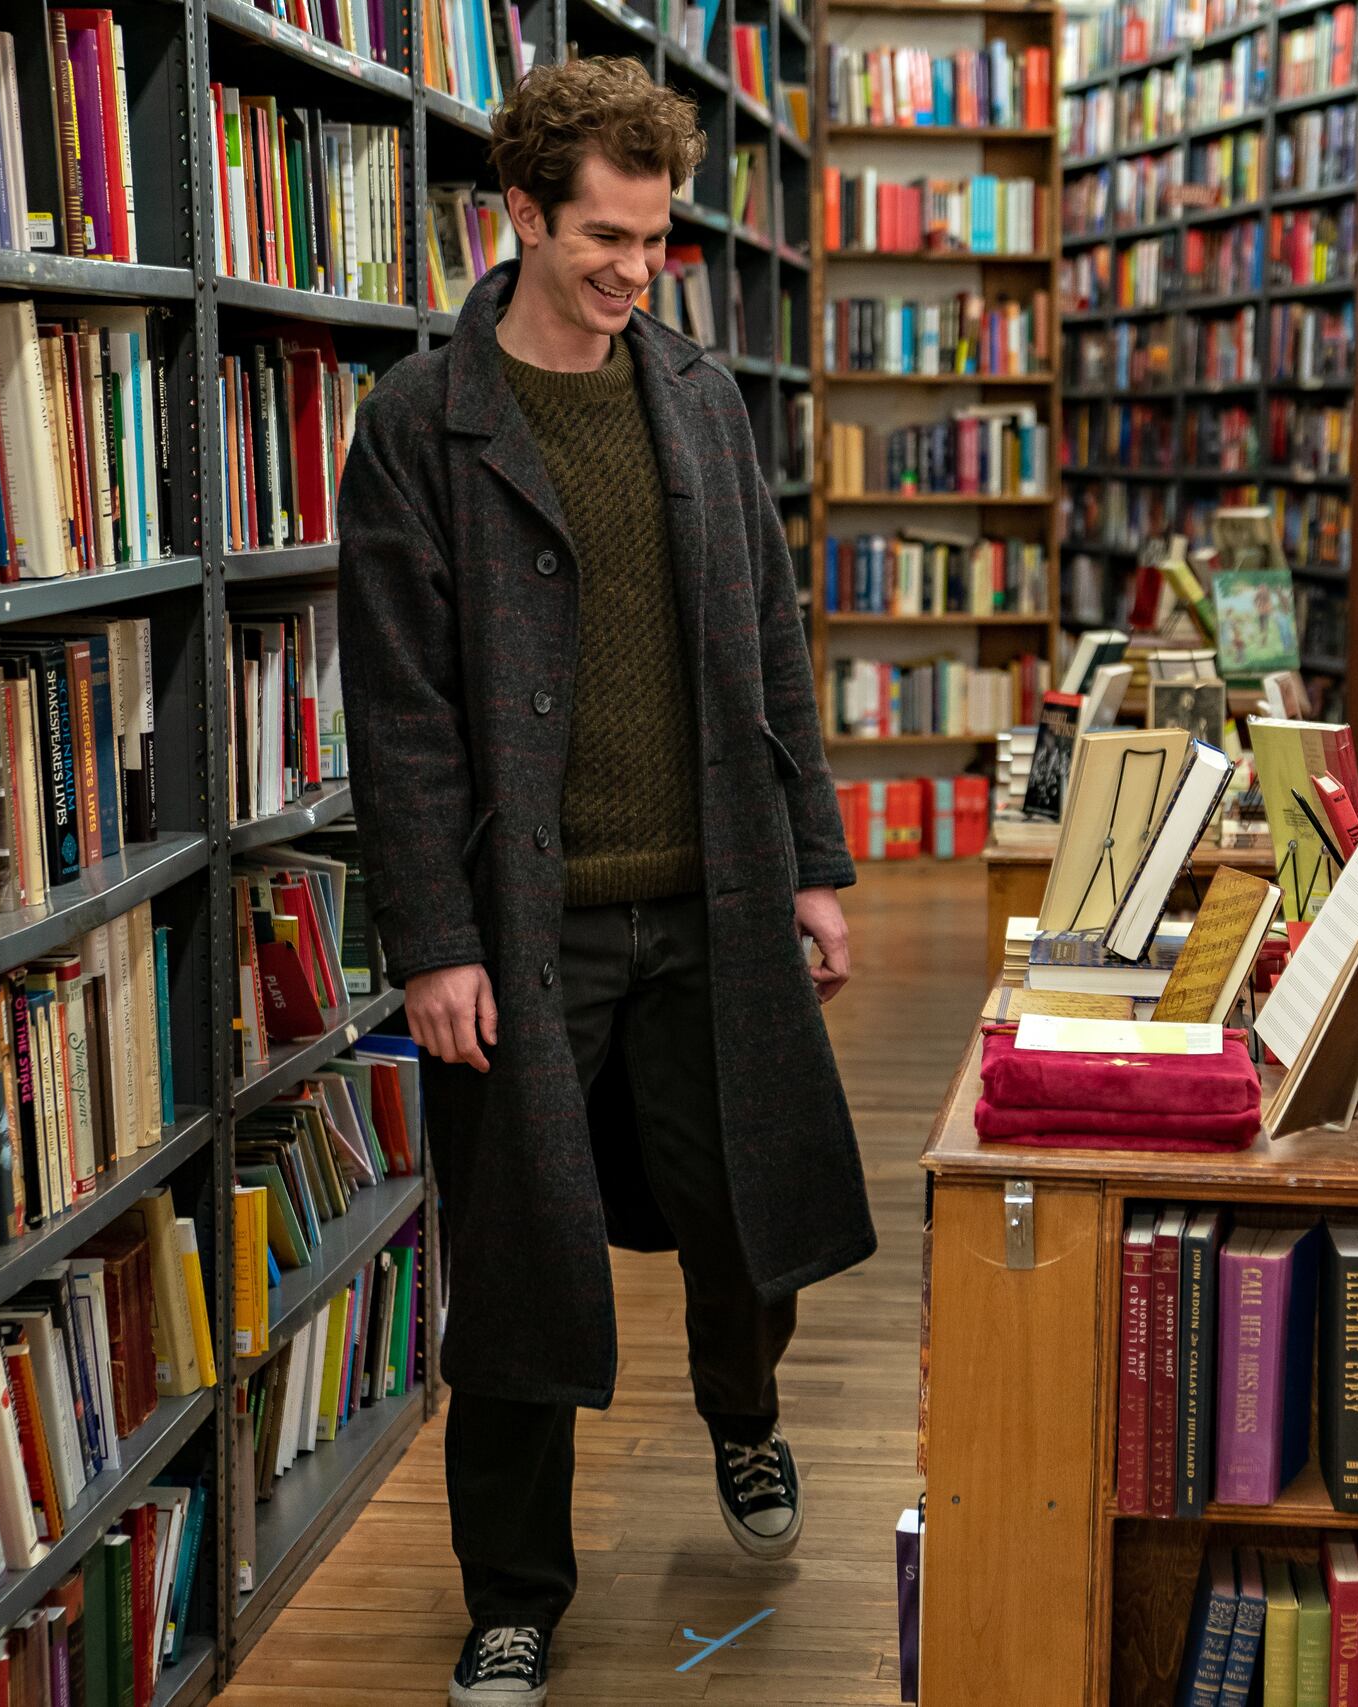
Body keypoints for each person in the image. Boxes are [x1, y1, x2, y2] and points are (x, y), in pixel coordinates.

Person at [334, 57, 876, 1706]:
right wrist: (432, 940)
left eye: (658, 237)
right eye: (606, 239)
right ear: (520, 215)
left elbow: (769, 643)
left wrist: (814, 863)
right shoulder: (422, 425)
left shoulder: (700, 393)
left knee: (754, 1212)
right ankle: (512, 1595)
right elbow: (401, 713)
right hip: (525, 929)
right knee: (519, 1272)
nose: (637, 270)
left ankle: (747, 1415)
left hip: (713, 898)